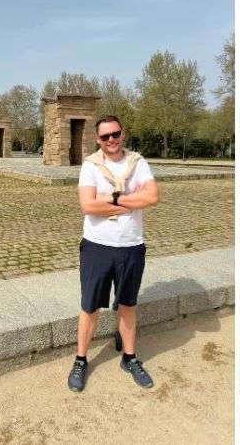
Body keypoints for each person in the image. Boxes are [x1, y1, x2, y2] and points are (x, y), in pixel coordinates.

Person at [67, 115, 160, 393]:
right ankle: (81, 360)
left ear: (122, 133)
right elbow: (87, 205)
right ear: (97, 139)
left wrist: (112, 198)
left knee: (128, 305)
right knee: (90, 306)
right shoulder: (91, 165)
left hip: (131, 245)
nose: (111, 140)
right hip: (97, 245)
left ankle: (129, 358)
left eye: (115, 134)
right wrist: (131, 200)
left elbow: (152, 197)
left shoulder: (138, 162)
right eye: (105, 136)